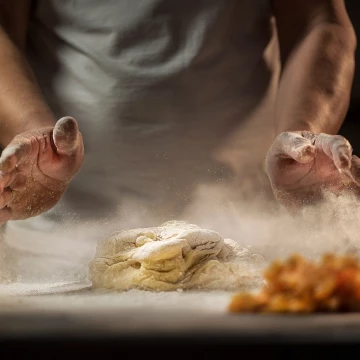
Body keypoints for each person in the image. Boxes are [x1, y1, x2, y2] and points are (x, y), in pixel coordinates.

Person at [0, 0, 357, 282]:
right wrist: (37, 134)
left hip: (247, 238)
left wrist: (301, 138)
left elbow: (318, 18)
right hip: (51, 248)